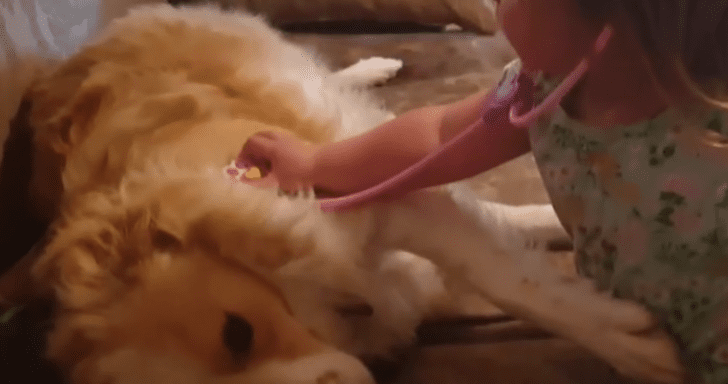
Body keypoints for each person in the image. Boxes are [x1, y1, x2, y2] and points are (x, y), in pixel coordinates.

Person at [238, 0, 728, 382]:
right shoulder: (540, 91)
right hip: (645, 350)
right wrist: (316, 163)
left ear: (613, 23)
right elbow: (437, 135)